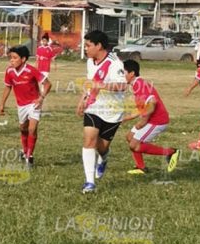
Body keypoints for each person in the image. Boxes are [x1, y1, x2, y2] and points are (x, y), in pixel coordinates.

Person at [76, 30, 127, 194]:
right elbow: (90, 82)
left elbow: (122, 86)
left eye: (88, 45)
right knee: (89, 140)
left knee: (101, 147)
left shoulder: (115, 63)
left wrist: (102, 86)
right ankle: (89, 182)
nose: (85, 49)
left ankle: (103, 158)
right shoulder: (91, 61)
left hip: (113, 111)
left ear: (99, 46)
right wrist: (82, 99)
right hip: (94, 107)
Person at [121, 60, 180, 174]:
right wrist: (125, 118)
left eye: (122, 72)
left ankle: (171, 152)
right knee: (129, 137)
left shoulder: (140, 85)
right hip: (151, 120)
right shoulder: (136, 85)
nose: (120, 76)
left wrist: (143, 121)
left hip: (158, 121)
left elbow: (152, 103)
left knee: (135, 145)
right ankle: (141, 167)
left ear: (132, 73)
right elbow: (142, 109)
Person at [0, 46, 51, 166]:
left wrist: (41, 98)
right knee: (23, 128)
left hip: (34, 103)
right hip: (21, 105)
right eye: (10, 58)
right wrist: (2, 104)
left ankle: (29, 156)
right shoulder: (9, 71)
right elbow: (8, 87)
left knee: (32, 129)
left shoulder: (31, 70)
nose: (11, 60)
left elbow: (48, 84)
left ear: (23, 59)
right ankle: (25, 150)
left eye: (14, 58)